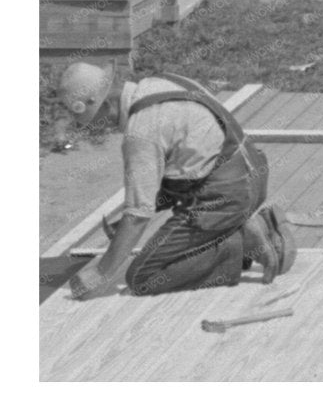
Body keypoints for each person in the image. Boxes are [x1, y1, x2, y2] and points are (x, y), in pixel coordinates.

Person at [54, 62, 296, 299]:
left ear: (106, 104)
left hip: (227, 197)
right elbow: (184, 167)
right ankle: (242, 225)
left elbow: (138, 216)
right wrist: (127, 226)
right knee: (178, 239)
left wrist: (100, 273)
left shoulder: (140, 134)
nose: (100, 127)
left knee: (143, 277)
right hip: (252, 171)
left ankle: (242, 240)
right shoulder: (159, 82)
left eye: (97, 120)